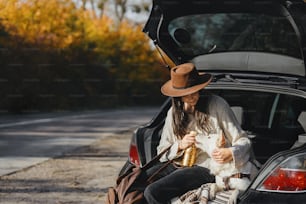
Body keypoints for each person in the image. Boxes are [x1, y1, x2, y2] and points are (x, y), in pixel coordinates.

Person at [143, 63, 256, 204]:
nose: (192, 97)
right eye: (187, 94)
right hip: (178, 164)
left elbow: (242, 140)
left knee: (152, 192)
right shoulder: (173, 113)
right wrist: (180, 145)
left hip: (205, 167)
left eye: (195, 91)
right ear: (178, 96)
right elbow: (162, 152)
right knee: (137, 182)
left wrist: (230, 152)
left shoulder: (217, 105)